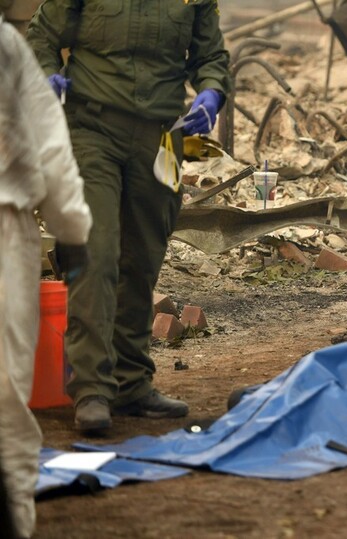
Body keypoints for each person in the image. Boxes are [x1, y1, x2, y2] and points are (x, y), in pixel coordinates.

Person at [26, 0, 232, 432]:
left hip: (165, 137)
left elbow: (210, 55)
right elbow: (42, 35)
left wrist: (212, 92)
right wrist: (45, 74)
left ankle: (132, 383)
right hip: (91, 127)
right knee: (95, 251)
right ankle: (91, 389)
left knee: (143, 257)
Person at [0, 13, 92, 538]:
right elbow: (52, 147)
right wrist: (72, 231)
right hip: (5, 226)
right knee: (4, 401)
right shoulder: (7, 47)